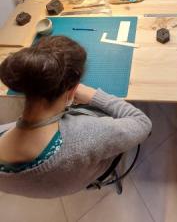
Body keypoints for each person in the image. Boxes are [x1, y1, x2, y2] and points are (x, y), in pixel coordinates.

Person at [0, 36, 152, 198]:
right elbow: (142, 122)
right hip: (87, 172)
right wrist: (93, 95)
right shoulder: (87, 135)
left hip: (59, 183)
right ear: (72, 90)